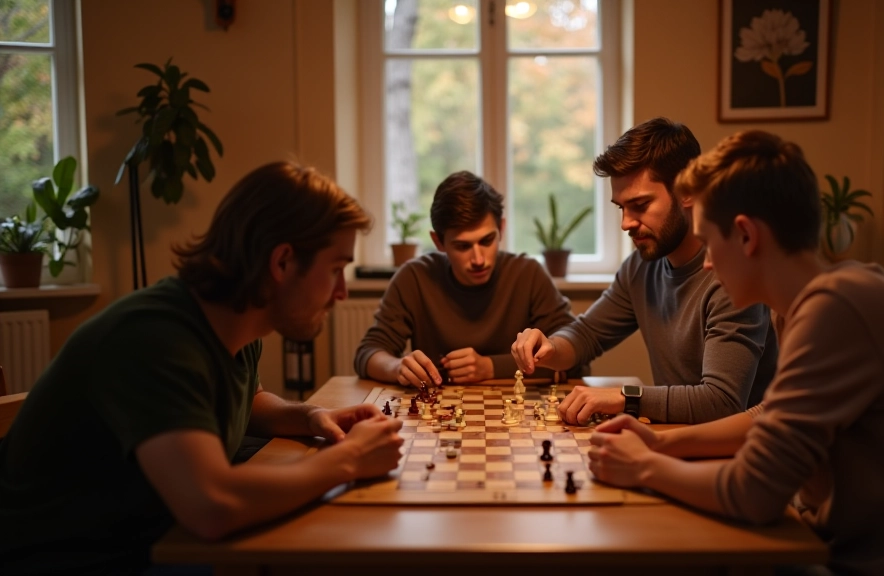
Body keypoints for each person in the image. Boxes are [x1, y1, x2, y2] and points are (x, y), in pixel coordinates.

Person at [586, 130, 884, 574]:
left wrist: (644, 468)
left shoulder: (838, 311)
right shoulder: (810, 304)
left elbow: (752, 493)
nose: (707, 263)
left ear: (747, 236)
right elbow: (768, 414)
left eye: (710, 243)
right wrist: (663, 442)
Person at [0, 162, 406, 575]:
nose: (341, 291)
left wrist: (311, 416)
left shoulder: (234, 322)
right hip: (68, 562)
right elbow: (212, 506)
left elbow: (248, 400)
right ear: (282, 262)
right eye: (336, 268)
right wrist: (350, 459)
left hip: (151, 537)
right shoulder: (156, 338)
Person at [511, 117, 777, 424]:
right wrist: (550, 346)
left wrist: (625, 397)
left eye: (639, 204)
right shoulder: (641, 266)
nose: (626, 222)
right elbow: (587, 335)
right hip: (675, 440)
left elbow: (722, 401)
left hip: (737, 457)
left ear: (688, 190)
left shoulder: (729, 273)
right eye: (620, 207)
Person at [355, 171, 578, 386]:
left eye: (487, 240)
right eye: (462, 246)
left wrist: (490, 367)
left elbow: (575, 357)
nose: (479, 259)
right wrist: (396, 367)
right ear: (438, 242)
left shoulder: (528, 274)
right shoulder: (414, 277)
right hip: (439, 418)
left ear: (501, 228)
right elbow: (368, 353)